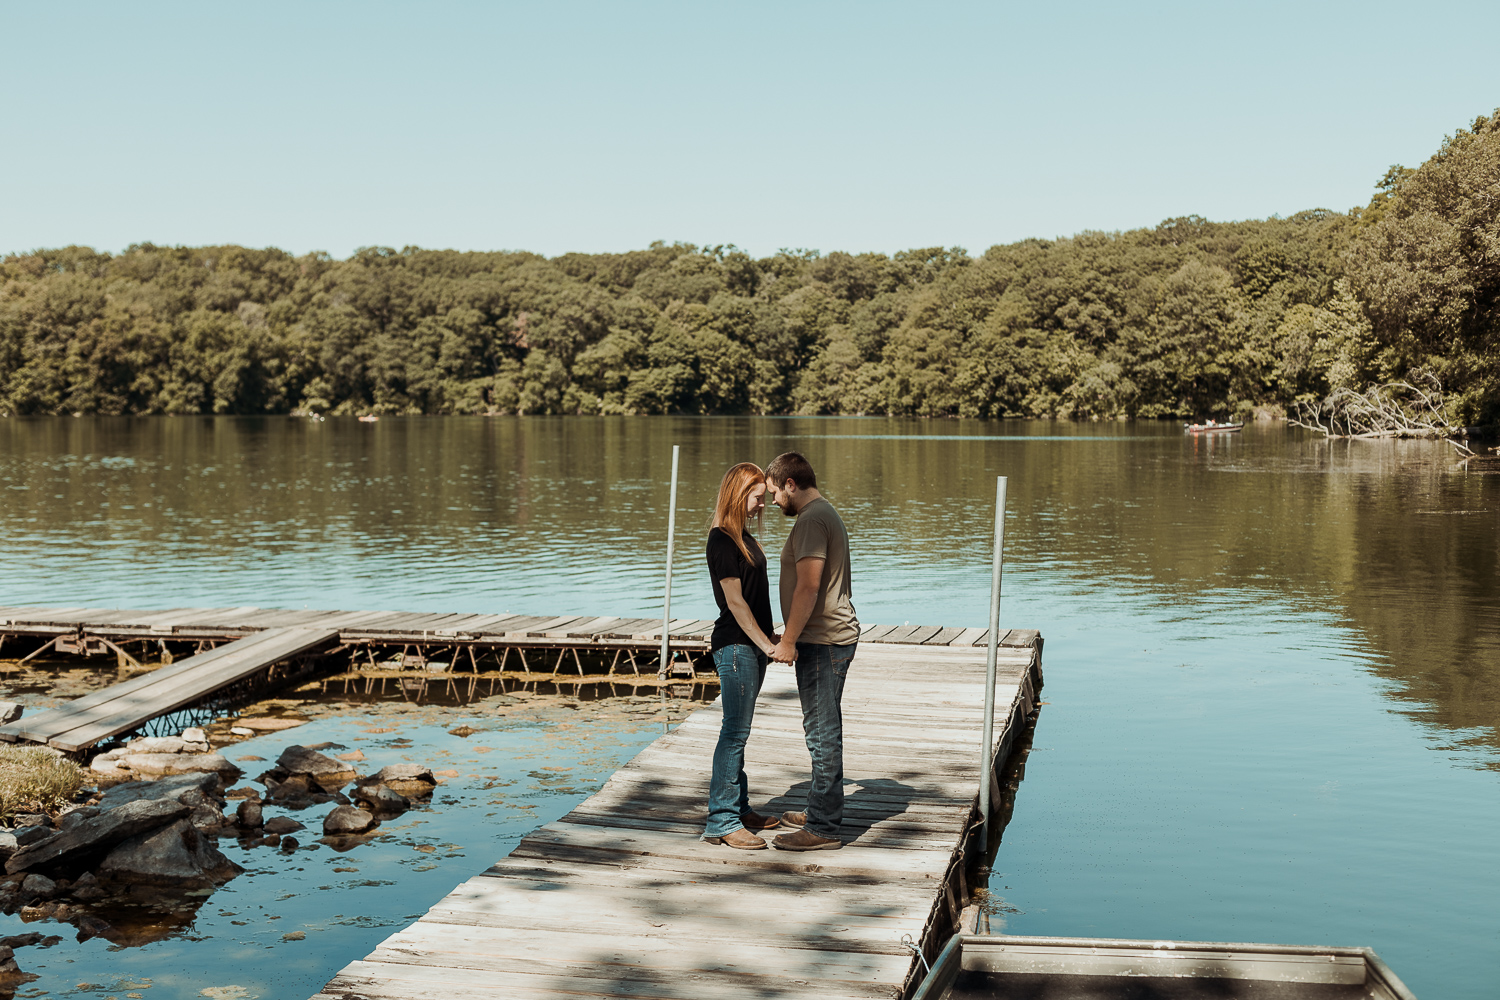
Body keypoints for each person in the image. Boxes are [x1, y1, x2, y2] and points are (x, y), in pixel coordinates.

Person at [763, 452, 859, 851]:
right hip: (827, 637)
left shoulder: (811, 520)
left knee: (821, 733)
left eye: (773, 492)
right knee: (822, 728)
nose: (771, 502)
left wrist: (788, 641)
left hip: (823, 641)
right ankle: (822, 805)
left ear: (790, 484)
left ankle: (822, 828)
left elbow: (809, 586)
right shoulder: (822, 514)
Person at [701, 462, 783, 850]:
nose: (761, 505)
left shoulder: (743, 537)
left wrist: (770, 635)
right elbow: (735, 603)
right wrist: (766, 646)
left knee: (740, 730)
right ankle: (721, 820)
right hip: (735, 647)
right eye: (756, 498)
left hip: (752, 646)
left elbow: (754, 597)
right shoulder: (721, 540)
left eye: (764, 499)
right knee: (734, 732)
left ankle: (740, 808)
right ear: (738, 495)